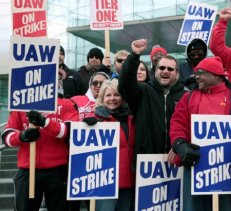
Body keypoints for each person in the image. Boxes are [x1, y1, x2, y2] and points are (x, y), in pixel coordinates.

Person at [169, 56, 231, 211]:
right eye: (196, 72)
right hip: (194, 164)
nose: (196, 76)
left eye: (201, 72)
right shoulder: (188, 97)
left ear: (216, 75)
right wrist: (180, 145)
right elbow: (178, 123)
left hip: (227, 168)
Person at [1, 74, 79, 211]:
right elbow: (7, 137)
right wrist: (22, 136)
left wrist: (46, 122)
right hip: (27, 170)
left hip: (57, 171)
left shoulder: (66, 103)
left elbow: (69, 131)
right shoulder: (20, 105)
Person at [118, 39, 186, 156]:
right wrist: (134, 55)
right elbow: (125, 83)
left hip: (176, 160)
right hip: (147, 162)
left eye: (170, 69)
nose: (165, 71)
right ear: (155, 71)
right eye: (161, 68)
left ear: (177, 74)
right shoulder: (143, 91)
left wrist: (182, 147)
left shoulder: (185, 96)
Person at [84, 80, 136, 211]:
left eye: (117, 94)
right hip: (105, 184)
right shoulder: (95, 120)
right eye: (108, 95)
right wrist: (86, 126)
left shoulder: (132, 118)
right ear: (102, 98)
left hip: (130, 182)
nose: (112, 98)